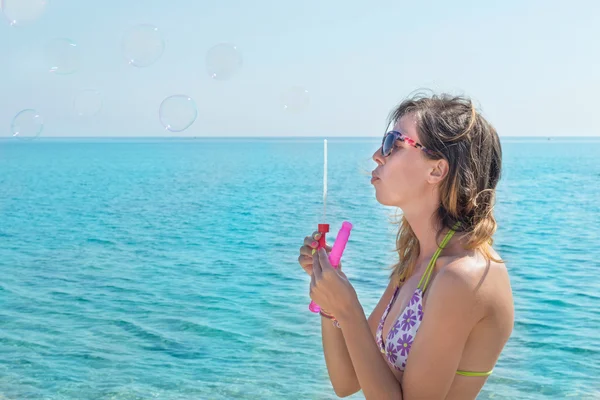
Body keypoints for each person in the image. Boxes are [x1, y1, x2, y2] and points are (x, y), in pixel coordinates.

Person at [297, 92, 514, 399]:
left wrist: (348, 309)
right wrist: (330, 299)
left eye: (393, 144)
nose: (377, 154)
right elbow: (346, 381)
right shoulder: (418, 262)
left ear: (436, 170)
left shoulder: (463, 278)